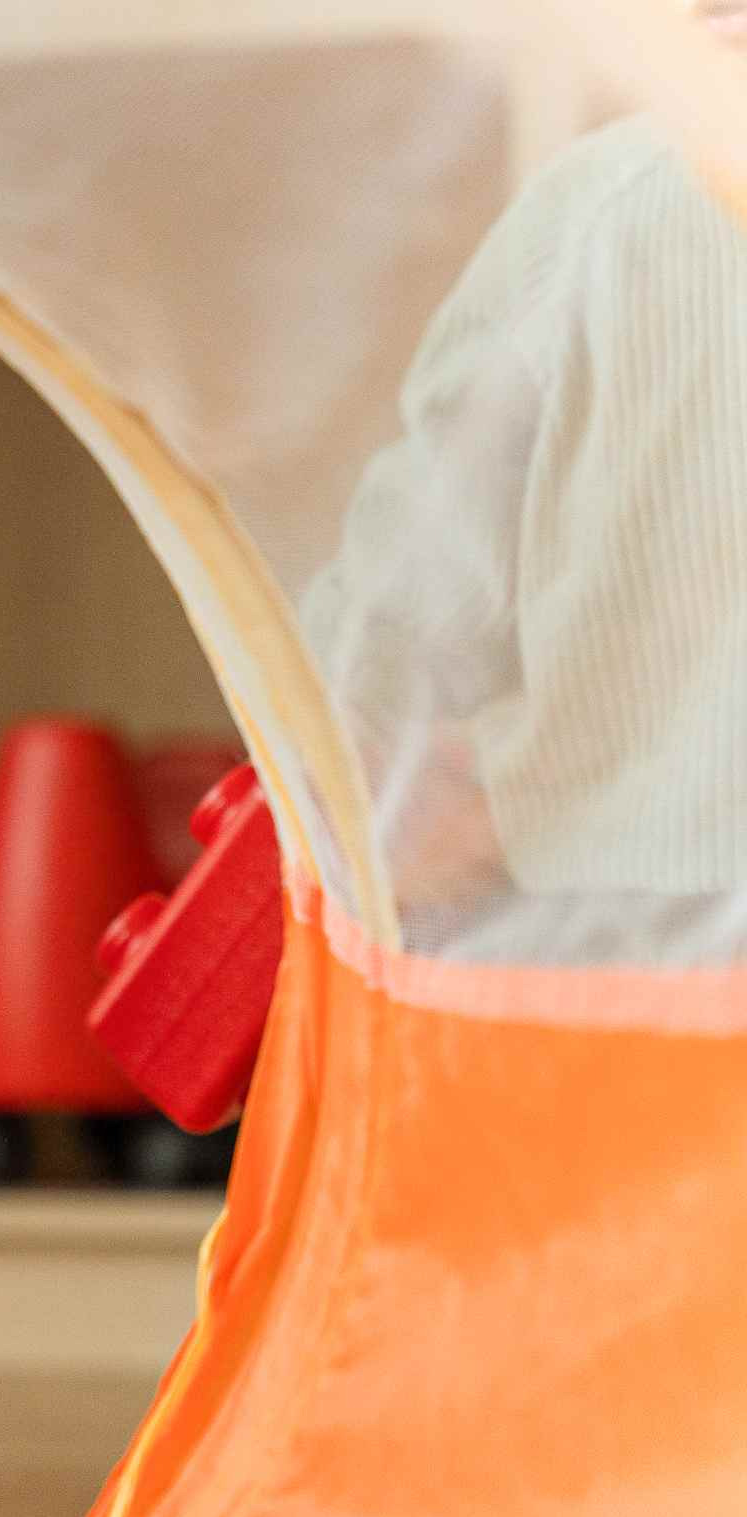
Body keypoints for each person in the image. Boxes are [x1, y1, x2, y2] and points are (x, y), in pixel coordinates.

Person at [302, 116, 747, 951]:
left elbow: (379, 644)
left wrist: (492, 804)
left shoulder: (610, 209)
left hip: (601, 961)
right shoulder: (614, 206)